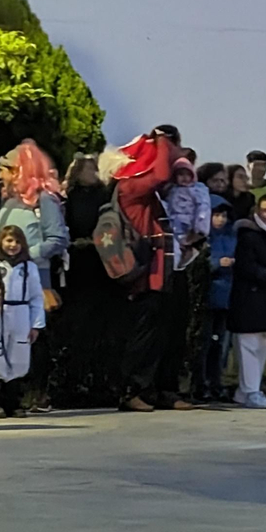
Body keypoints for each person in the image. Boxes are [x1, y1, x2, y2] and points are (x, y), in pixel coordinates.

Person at [113, 127, 192, 413]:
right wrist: (161, 141)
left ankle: (162, 390)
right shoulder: (129, 186)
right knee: (143, 335)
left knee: (168, 334)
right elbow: (160, 172)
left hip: (166, 270)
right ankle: (132, 391)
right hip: (145, 274)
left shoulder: (155, 193)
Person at [0, 141, 68, 412]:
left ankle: (38, 394)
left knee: (35, 337)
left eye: (5, 169)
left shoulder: (45, 200)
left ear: (18, 171)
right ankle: (11, 395)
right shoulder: (10, 201)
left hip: (35, 278)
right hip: (6, 279)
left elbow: (58, 238)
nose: (0, 175)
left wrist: (26, 255)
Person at [0, 223, 47, 418]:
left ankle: (13, 402)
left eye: (17, 241)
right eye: (8, 240)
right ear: (0, 242)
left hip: (20, 315)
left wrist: (36, 324)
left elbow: (36, 297)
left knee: (18, 360)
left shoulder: (29, 267)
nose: (13, 245)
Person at [229, 195, 266, 409]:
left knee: (263, 342)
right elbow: (246, 266)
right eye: (264, 210)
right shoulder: (247, 234)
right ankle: (251, 390)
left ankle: (246, 390)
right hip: (248, 297)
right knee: (248, 343)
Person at [198, 197, 237, 401]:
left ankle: (217, 382)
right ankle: (202, 382)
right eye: (217, 215)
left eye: (223, 216)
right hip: (209, 296)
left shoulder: (231, 237)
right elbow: (199, 265)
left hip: (226, 297)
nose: (220, 220)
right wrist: (216, 264)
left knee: (221, 344)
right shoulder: (205, 238)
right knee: (206, 343)